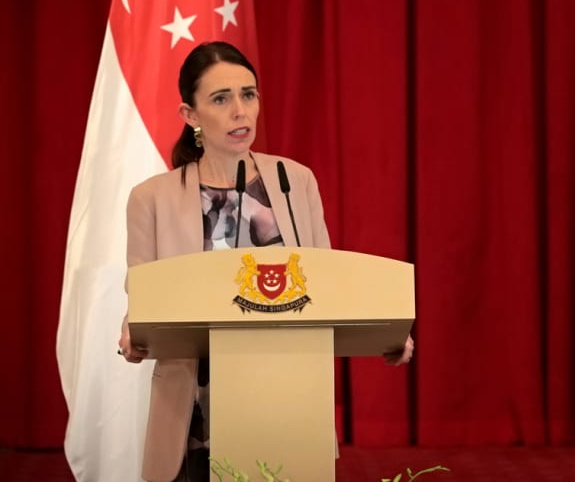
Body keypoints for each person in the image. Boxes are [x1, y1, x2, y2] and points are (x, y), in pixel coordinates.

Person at [117, 41, 414, 482]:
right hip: (196, 406)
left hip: (286, 396)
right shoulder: (151, 200)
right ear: (190, 116)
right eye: (221, 99)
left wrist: (385, 330)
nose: (241, 110)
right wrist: (131, 330)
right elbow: (141, 297)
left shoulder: (295, 182)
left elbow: (328, 287)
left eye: (248, 94)